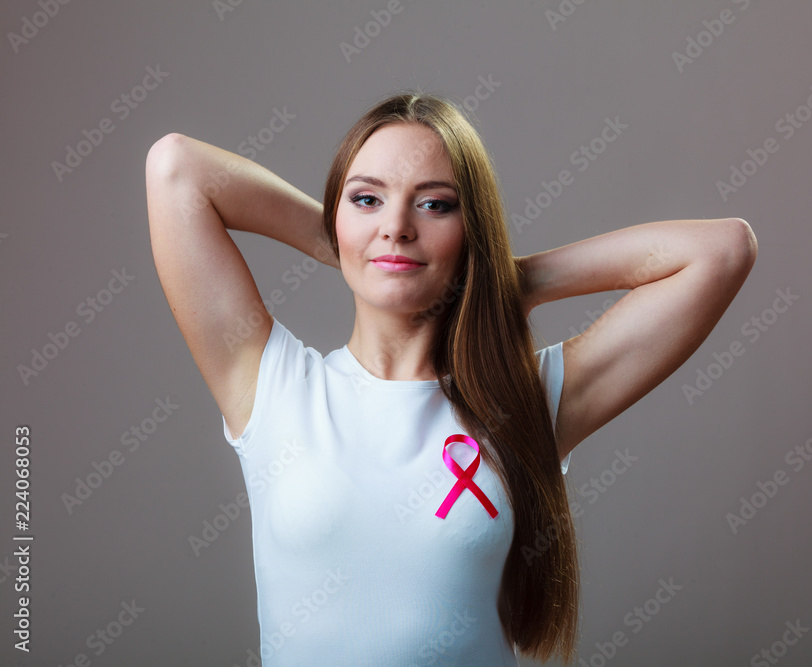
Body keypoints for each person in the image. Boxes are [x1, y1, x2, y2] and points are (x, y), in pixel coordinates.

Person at [145, 91, 757, 666]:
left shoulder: (526, 404)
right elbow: (177, 168)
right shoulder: (271, 384)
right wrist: (351, 247)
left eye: (434, 204)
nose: (397, 226)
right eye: (367, 199)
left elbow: (722, 251)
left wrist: (506, 278)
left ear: (473, 231)